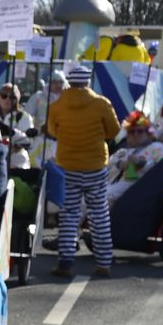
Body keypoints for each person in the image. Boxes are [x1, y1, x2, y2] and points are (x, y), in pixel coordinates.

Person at [45, 62, 121, 278]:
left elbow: (53, 131)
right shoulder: (102, 104)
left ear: (69, 82)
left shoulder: (57, 105)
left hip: (68, 166)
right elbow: (113, 130)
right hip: (95, 166)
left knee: (69, 214)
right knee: (99, 214)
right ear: (88, 81)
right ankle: (104, 263)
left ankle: (65, 262)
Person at [105, 111, 163, 202]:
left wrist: (141, 163)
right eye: (132, 131)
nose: (136, 134)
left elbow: (162, 170)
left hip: (135, 191)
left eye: (140, 131)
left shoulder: (158, 147)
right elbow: (106, 164)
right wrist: (120, 164)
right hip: (110, 184)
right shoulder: (123, 152)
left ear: (148, 133)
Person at [25, 70, 66, 166]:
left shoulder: (67, 98)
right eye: (55, 82)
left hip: (62, 140)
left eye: (61, 82)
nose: (58, 85)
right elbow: (27, 115)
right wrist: (30, 130)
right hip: (41, 138)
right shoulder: (38, 97)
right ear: (49, 83)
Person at [0, 82, 32, 169]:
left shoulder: (23, 117)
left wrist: (11, 133)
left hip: (17, 164)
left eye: (12, 97)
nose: (8, 99)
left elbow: (28, 141)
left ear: (17, 100)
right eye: (4, 96)